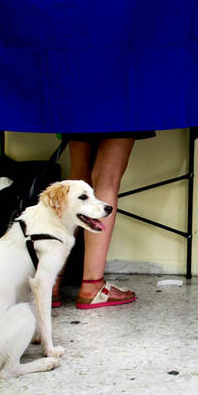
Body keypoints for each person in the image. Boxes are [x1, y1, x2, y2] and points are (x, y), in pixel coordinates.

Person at [53, 131, 155, 309]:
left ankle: (50, 282)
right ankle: (92, 285)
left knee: (78, 178)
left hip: (75, 103)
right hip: (119, 103)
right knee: (107, 179)